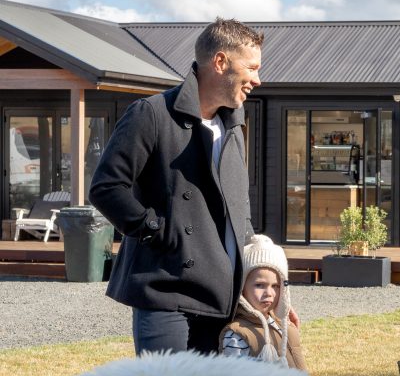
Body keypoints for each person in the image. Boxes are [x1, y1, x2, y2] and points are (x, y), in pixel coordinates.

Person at [90, 18, 277, 355]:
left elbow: (239, 211)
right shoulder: (152, 114)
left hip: (221, 298)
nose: (257, 79)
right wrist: (156, 230)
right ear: (220, 63)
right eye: (251, 68)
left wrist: (261, 283)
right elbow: (106, 187)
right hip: (166, 293)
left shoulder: (233, 127)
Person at [220, 235, 307, 370]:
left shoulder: (283, 324)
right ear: (242, 289)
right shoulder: (237, 335)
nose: (269, 293)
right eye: (260, 285)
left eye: (276, 286)